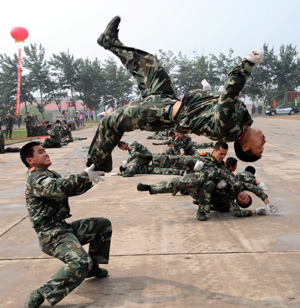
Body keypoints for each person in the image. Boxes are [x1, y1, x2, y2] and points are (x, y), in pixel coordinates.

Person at [87, 16, 265, 172]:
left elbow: (229, 93)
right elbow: (216, 104)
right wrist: (207, 91)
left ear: (246, 146)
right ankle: (109, 41)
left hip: (160, 113)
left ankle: (96, 167)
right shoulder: (242, 120)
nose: (263, 143)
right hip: (168, 99)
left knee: (111, 122)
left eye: (260, 149)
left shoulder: (230, 130)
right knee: (149, 63)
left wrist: (247, 64)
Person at [20, 141, 112, 307]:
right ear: (30, 160)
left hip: (62, 228)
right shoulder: (35, 177)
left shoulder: (48, 173)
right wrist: (84, 175)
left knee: (103, 225)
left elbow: (69, 189)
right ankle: (42, 292)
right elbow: (56, 188)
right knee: (80, 263)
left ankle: (93, 267)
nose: (46, 153)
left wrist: (90, 179)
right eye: (40, 152)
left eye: (45, 150)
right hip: (51, 235)